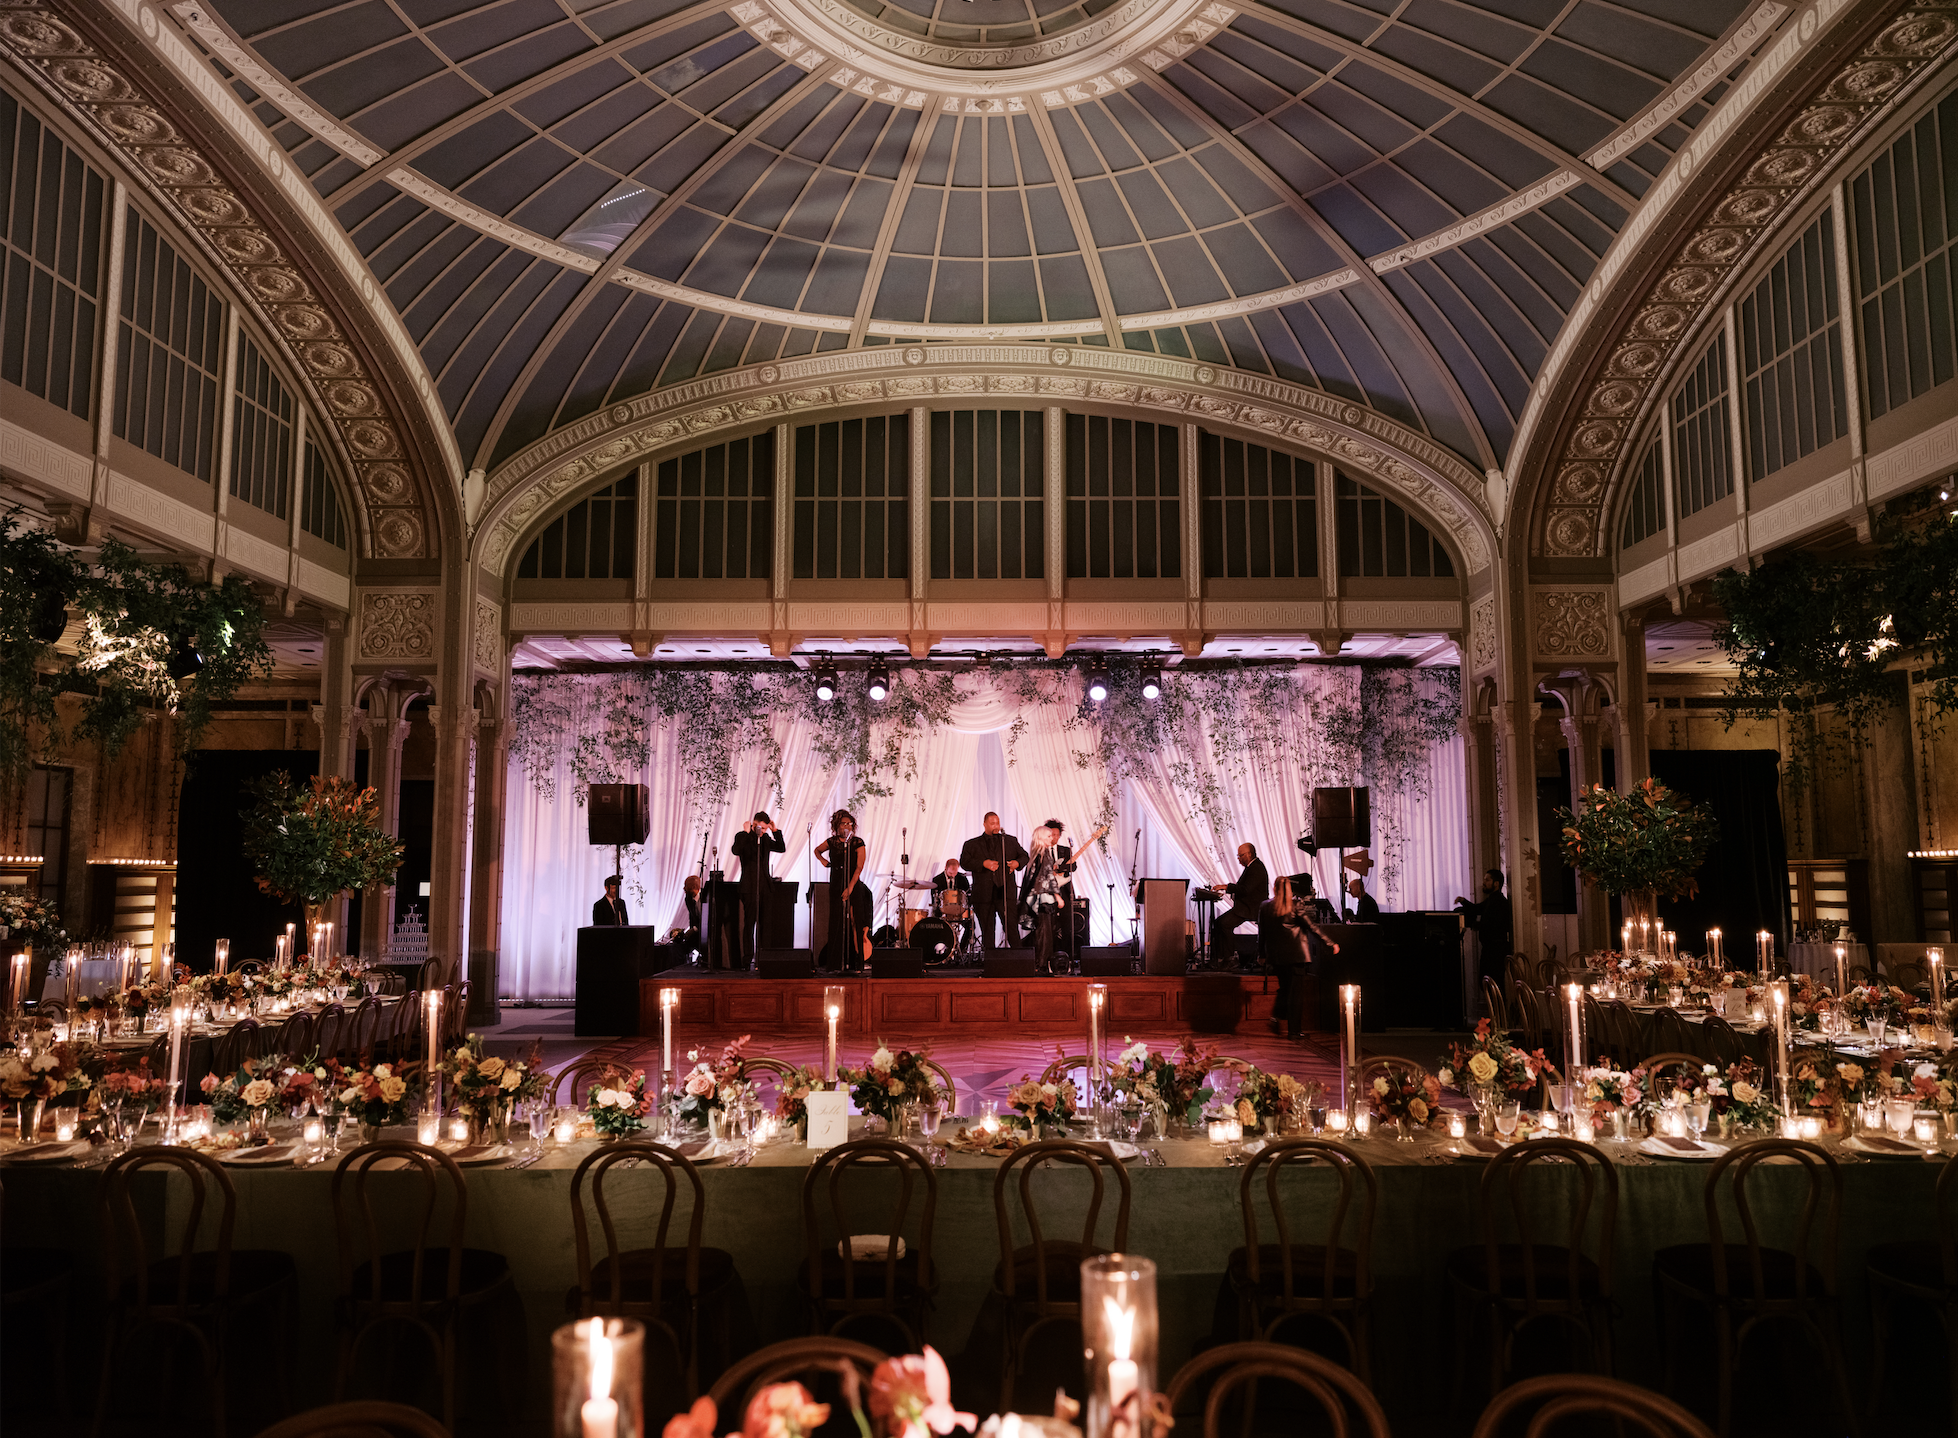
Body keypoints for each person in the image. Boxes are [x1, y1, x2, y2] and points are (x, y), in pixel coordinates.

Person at [1258, 876, 1340, 1037]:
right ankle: (1294, 1030)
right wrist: (1330, 943)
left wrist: (1261, 954)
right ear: (1289, 890)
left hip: (1277, 957)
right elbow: (1312, 927)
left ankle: (1276, 1016)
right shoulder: (1295, 905)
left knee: (1284, 989)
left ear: (1274, 889)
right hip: (1296, 957)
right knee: (1295, 994)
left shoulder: (1265, 906)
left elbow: (1262, 933)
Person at [959, 813, 1027, 952]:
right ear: (984, 824)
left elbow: (1024, 856)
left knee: (1011, 928)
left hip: (1005, 892)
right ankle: (990, 962)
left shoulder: (1009, 841)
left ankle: (1020, 960)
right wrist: (983, 863)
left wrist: (1016, 863)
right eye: (992, 823)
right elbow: (964, 862)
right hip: (984, 893)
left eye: (997, 822)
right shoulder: (972, 844)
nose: (996, 826)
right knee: (988, 931)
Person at [814, 809, 872, 973]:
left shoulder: (857, 842)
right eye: (843, 823)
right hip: (836, 882)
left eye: (849, 823)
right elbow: (817, 850)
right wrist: (823, 861)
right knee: (836, 921)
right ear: (837, 826)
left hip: (853, 883)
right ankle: (835, 963)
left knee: (856, 922)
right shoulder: (832, 842)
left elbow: (859, 867)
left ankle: (857, 962)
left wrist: (850, 888)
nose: (847, 826)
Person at [729, 810, 785, 967]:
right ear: (753, 825)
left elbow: (781, 848)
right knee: (749, 923)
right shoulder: (744, 837)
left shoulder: (766, 839)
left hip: (765, 886)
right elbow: (736, 850)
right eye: (759, 828)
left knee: (765, 924)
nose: (762, 831)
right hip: (749, 886)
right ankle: (747, 959)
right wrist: (746, 832)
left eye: (765, 829)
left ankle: (765, 958)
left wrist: (775, 831)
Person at [1210, 842, 1270, 967]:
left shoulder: (1256, 868)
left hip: (1251, 908)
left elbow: (1245, 889)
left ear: (1248, 854)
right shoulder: (1252, 867)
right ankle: (1219, 957)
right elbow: (1243, 888)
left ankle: (1229, 958)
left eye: (1240, 855)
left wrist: (1226, 887)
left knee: (1224, 924)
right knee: (1218, 923)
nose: (1239, 859)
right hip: (1245, 907)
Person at [1455, 869, 1513, 986]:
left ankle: (1497, 1004)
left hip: (1495, 950)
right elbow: (1477, 909)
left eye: (1487, 880)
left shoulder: (1499, 902)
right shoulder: (1492, 900)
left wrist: (1473, 925)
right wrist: (1463, 901)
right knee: (1488, 982)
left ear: (1496, 883)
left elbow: (1493, 925)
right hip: (1491, 949)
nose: (1484, 882)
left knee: (1493, 983)